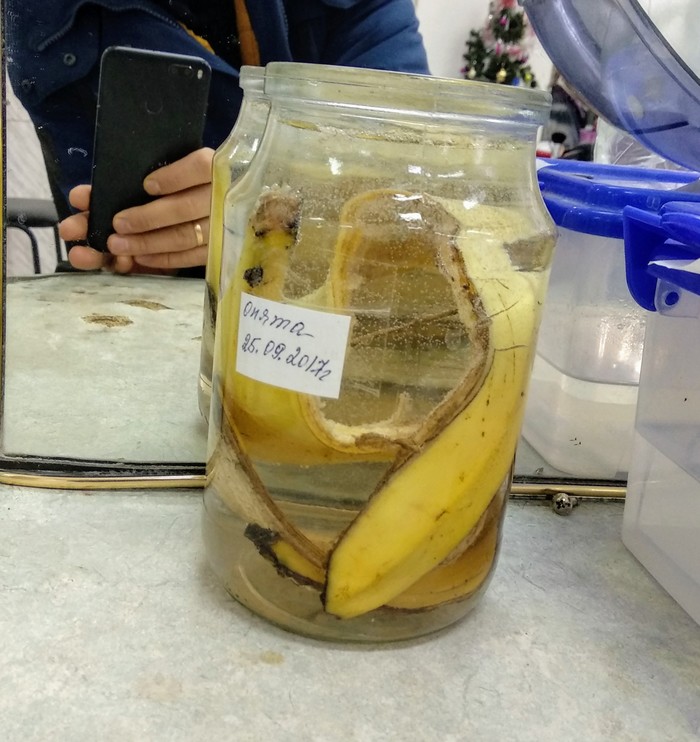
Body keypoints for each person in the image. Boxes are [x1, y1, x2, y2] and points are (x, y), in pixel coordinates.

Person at [7, 0, 430, 274]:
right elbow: (104, 230)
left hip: (334, 302)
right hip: (172, 310)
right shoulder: (43, 16)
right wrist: (129, 251)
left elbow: (411, 171)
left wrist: (252, 202)